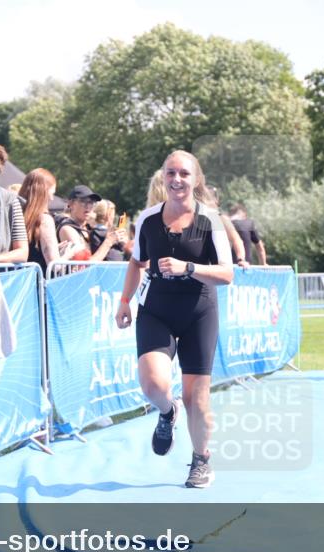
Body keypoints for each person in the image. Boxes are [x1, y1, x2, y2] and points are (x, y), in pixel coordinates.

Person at [115, 150, 233, 489]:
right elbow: (136, 263)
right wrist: (124, 301)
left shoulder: (209, 220)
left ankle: (201, 458)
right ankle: (167, 413)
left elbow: (227, 274)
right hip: (157, 310)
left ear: (195, 180)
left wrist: (189, 268)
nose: (176, 180)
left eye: (184, 174)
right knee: (154, 385)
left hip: (199, 311)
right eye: (170, 173)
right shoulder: (149, 219)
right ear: (163, 177)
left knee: (196, 397)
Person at [145, 170, 246, 266]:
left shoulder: (214, 217)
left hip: (209, 276)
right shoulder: (152, 220)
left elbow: (236, 239)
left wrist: (241, 259)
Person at [19, 168, 64, 274]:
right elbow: (54, 265)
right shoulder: (45, 219)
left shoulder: (17, 215)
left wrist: (54, 248)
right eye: (52, 193)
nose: (52, 199)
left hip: (18, 281)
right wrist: (70, 253)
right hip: (39, 282)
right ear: (44, 191)